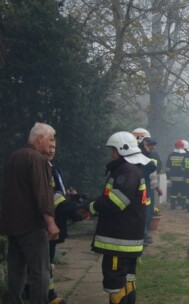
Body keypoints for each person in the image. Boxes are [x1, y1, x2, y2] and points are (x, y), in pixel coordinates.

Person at [0, 122, 60, 304]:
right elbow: (42, 193)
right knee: (40, 271)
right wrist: (50, 222)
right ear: (40, 138)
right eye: (50, 140)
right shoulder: (38, 160)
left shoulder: (15, 157)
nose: (51, 145)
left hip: (13, 225)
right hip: (32, 226)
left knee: (16, 270)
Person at [88, 131, 150, 304]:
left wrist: (92, 206)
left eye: (113, 150)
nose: (112, 154)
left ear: (123, 149)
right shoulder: (134, 168)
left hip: (119, 239)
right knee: (128, 278)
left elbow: (117, 201)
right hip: (128, 235)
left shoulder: (127, 170)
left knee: (115, 283)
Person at [45, 144, 89, 304]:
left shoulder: (53, 165)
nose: (51, 150)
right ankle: (49, 296)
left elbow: (57, 190)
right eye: (48, 146)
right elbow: (50, 195)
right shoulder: (41, 166)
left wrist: (68, 195)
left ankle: (39, 292)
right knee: (46, 260)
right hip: (47, 220)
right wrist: (74, 209)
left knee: (48, 258)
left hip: (56, 217)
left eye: (54, 146)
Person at [131, 128, 157, 246]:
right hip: (141, 188)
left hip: (148, 187)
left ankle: (144, 235)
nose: (151, 146)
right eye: (148, 143)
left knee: (147, 213)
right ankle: (141, 237)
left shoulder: (146, 154)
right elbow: (149, 168)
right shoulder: (137, 155)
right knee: (142, 214)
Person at [165, 139, 187, 210]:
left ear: (175, 146)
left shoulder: (171, 155)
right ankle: (183, 206)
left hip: (173, 178)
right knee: (183, 192)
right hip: (183, 178)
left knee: (173, 192)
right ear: (183, 146)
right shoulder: (186, 155)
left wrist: (168, 176)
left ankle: (173, 206)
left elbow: (168, 167)